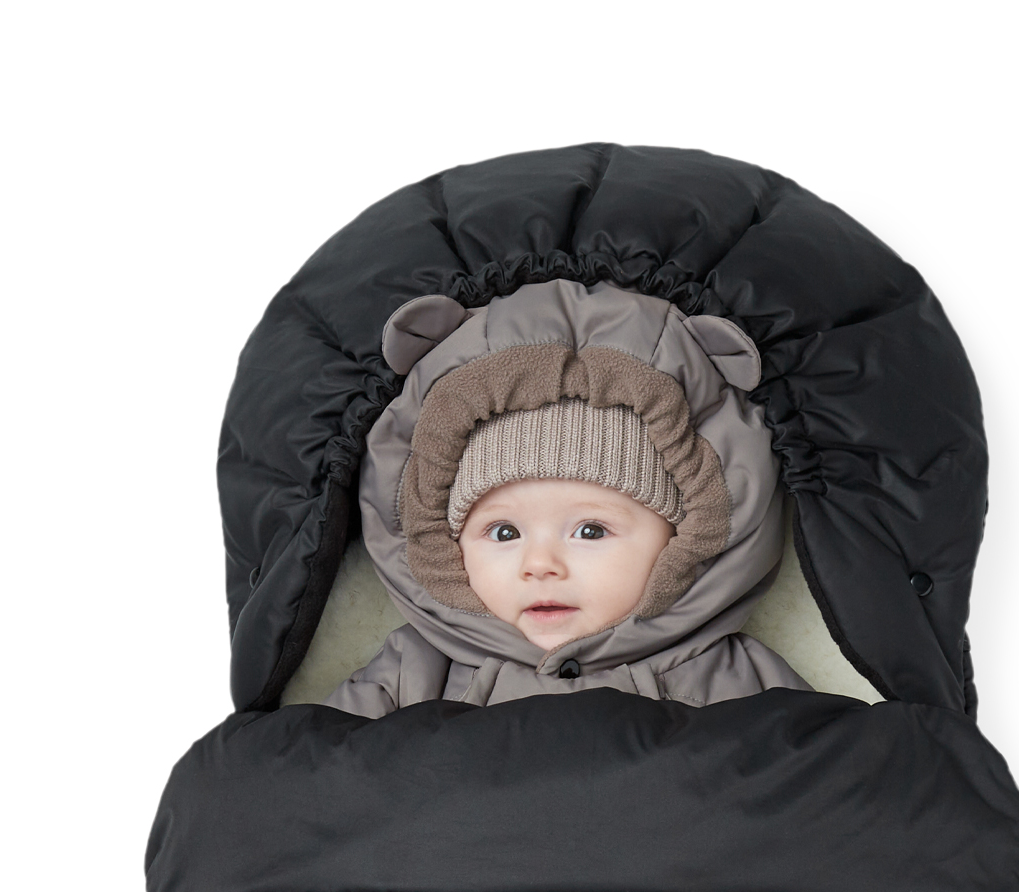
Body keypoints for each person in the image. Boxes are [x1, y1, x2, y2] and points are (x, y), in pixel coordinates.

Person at [325, 284, 812, 714]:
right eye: (504, 532)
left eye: (590, 531)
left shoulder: (734, 683)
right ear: (446, 547)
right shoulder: (413, 675)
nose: (540, 565)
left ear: (680, 547)